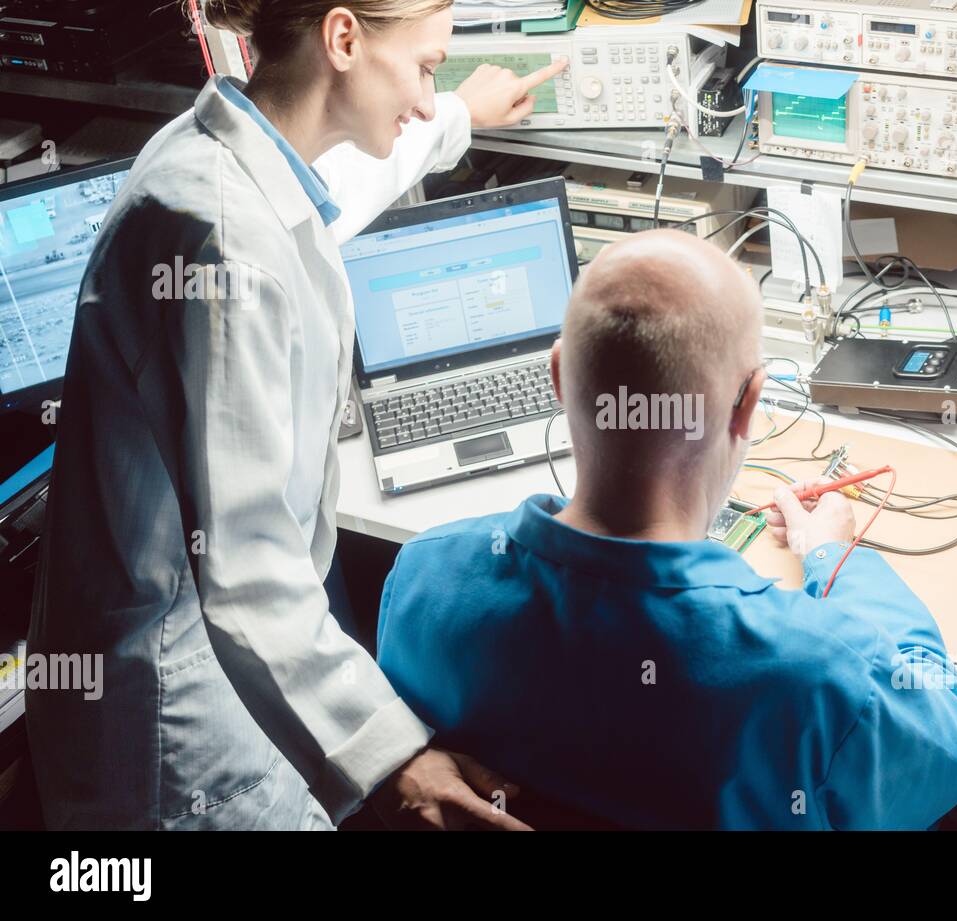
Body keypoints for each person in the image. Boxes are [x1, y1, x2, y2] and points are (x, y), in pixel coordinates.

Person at [27, 0, 566, 830]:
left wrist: (459, 116)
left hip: (210, 671)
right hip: (182, 724)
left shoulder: (220, 150)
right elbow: (247, 570)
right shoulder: (221, 244)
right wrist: (394, 758)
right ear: (343, 38)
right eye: (426, 69)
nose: (426, 97)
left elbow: (336, 188)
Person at [377, 230, 957, 829]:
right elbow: (954, 737)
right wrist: (833, 554)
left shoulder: (424, 575)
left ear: (560, 378)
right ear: (749, 404)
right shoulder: (820, 676)